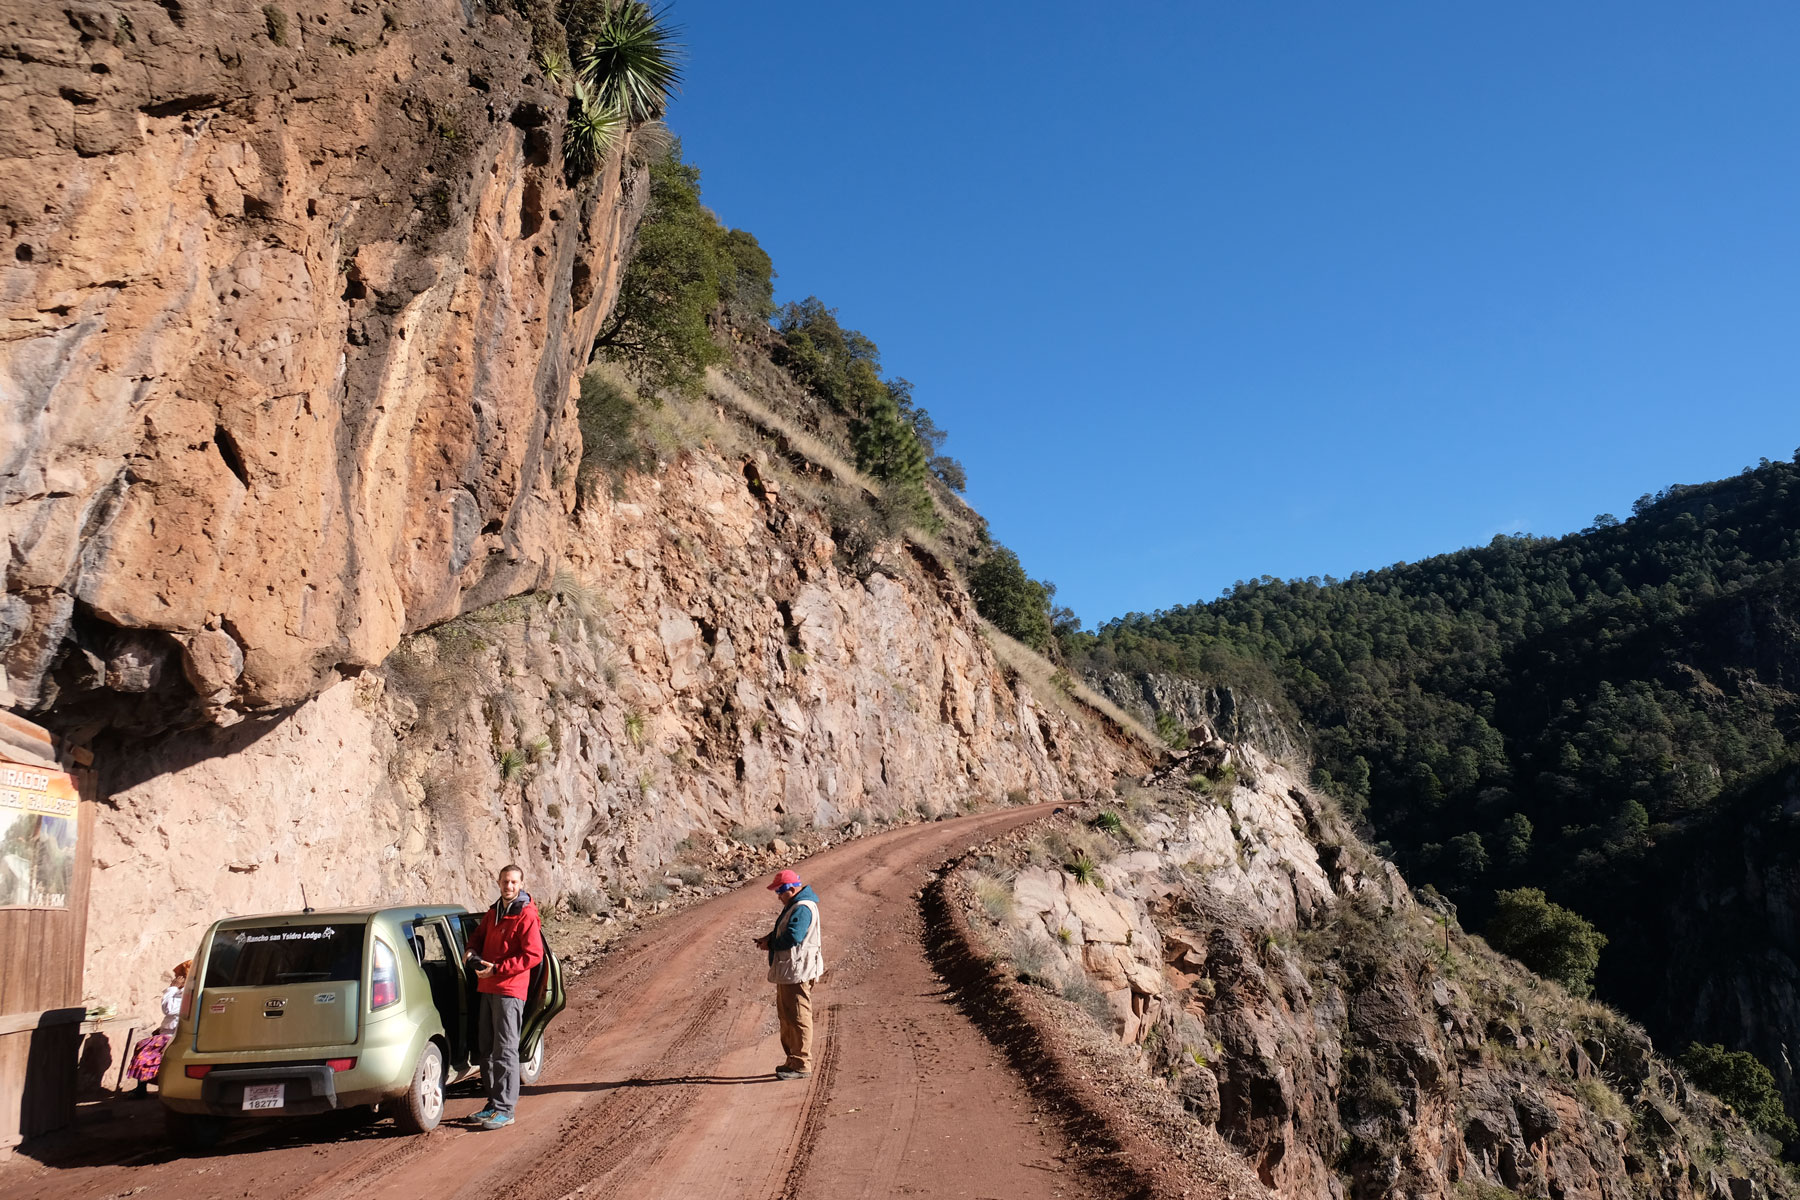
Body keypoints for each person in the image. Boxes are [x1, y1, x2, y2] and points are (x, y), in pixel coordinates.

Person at [465, 864, 544, 1130]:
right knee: (486, 1050)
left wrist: (498, 968)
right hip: (487, 989)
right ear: (498, 882)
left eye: (513, 882)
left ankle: (505, 1109)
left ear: (521, 884)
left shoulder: (526, 915)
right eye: (504, 882)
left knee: (506, 1050)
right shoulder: (494, 911)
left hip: (510, 991)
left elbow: (534, 955)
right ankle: (492, 1103)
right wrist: (471, 951)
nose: (508, 886)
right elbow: (476, 936)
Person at [753, 869, 824, 1080]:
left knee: (798, 1017)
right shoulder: (796, 905)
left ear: (791, 890)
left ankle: (801, 1064)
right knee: (788, 1017)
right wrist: (770, 938)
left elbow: (793, 936)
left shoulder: (802, 908)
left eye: (780, 892)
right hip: (791, 971)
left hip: (797, 972)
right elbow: (788, 932)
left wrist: (772, 943)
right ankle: (793, 1061)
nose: (778, 897)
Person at [126, 960, 190, 1095]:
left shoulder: (186, 994)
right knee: (142, 1046)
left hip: (174, 1036)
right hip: (168, 1033)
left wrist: (172, 988)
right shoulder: (181, 993)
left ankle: (141, 1089)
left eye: (178, 975)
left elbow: (168, 1009)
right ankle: (141, 1087)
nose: (175, 979)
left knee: (145, 1049)